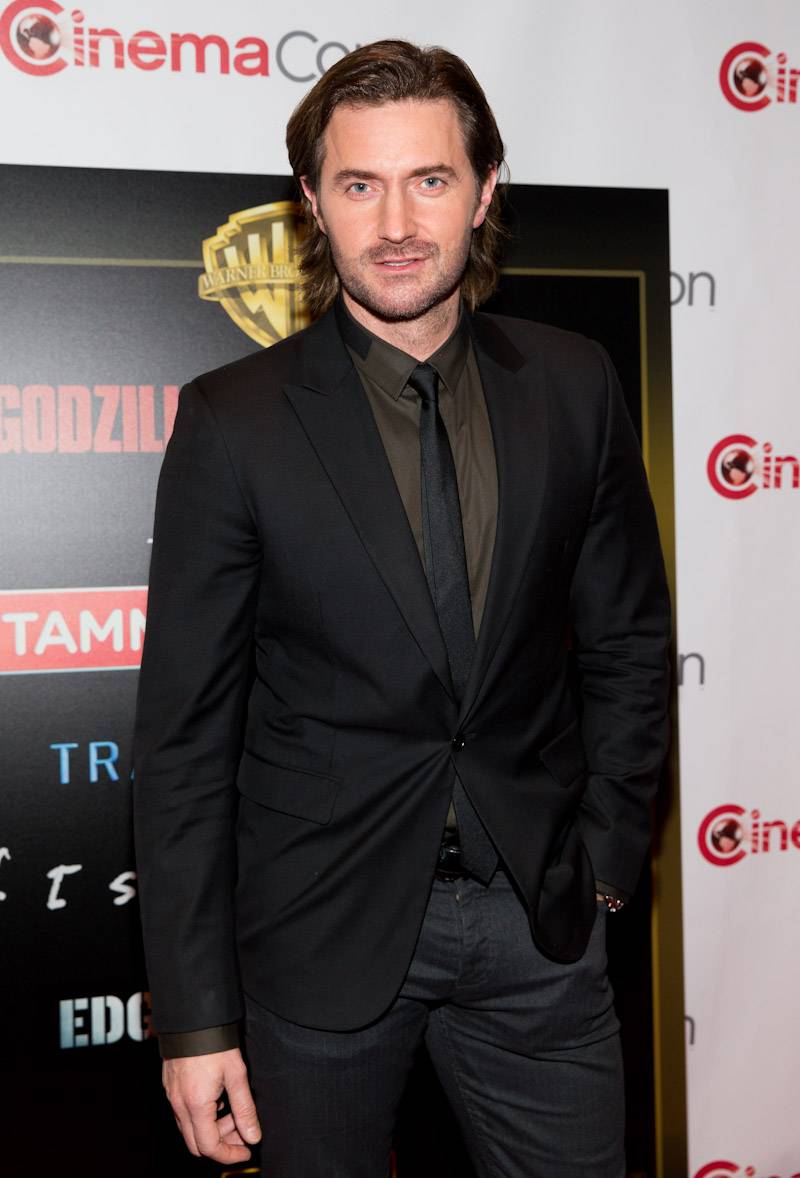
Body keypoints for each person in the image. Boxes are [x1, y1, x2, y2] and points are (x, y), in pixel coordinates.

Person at [132, 38, 671, 1178]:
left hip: (539, 925)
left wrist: (607, 859)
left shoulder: (573, 383)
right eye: (358, 184)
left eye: (428, 179)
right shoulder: (234, 421)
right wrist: (193, 1019)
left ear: (483, 192)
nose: (394, 223)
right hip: (318, 933)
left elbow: (628, 641)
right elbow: (184, 741)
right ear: (311, 203)